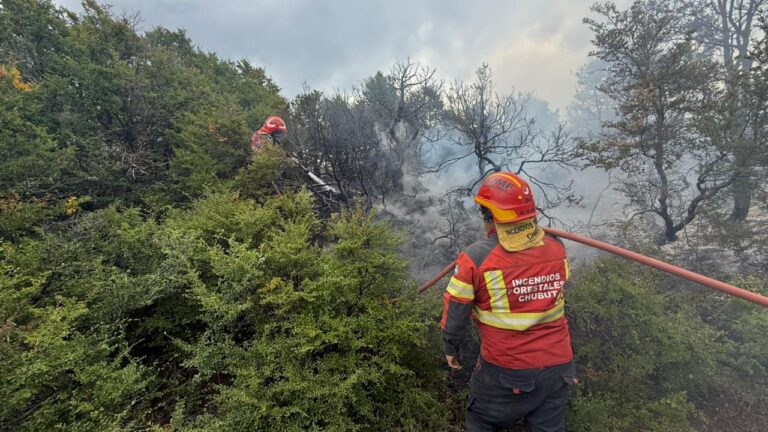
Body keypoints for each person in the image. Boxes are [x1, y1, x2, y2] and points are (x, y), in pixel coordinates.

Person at [441, 172, 575, 432]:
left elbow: (456, 309)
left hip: (506, 371)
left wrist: (450, 347)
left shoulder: (476, 258)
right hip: (559, 368)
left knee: (481, 421)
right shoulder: (556, 248)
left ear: (490, 216)